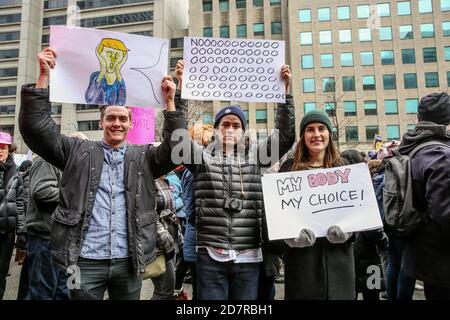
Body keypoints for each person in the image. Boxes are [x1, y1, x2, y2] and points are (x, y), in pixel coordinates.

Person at [19, 47, 186, 300]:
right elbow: (37, 131)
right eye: (110, 118)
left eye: (122, 118)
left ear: (130, 124)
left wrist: (172, 101)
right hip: (81, 262)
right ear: (101, 123)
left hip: (129, 262)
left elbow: (177, 149)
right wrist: (43, 78)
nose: (116, 123)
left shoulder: (144, 157)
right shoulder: (77, 150)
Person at [175, 61, 295, 300]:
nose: (230, 129)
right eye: (225, 124)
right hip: (210, 255)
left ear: (243, 131)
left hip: (248, 256)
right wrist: (180, 90)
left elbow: (285, 136)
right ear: (217, 129)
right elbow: (176, 138)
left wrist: (285, 94)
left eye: (236, 125)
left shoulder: (257, 157)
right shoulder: (200, 159)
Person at [278, 109, 355, 300]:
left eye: (322, 128)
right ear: (303, 136)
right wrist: (290, 236)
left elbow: (358, 212)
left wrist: (350, 232)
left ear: (329, 133)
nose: (317, 134)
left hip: (339, 261)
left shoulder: (343, 167)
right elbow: (280, 214)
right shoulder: (288, 168)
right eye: (310, 129)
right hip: (302, 262)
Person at [396, 92, 450, 300]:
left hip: (426, 260)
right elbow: (445, 214)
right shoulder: (442, 155)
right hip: (443, 263)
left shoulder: (413, 148)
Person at [341, 150, 388, 300]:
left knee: (348, 293)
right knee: (372, 294)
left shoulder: (336, 191)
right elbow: (372, 228)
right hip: (368, 256)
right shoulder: (364, 189)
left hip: (345, 255)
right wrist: (384, 241)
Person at [25, 154, 69, 300]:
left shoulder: (70, 165)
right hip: (45, 239)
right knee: (42, 292)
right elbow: (41, 191)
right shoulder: (47, 161)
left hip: (66, 241)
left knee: (66, 291)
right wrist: (74, 193)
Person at [0, 132, 25, 300]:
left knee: (1, 273)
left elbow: (20, 203)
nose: (0, 151)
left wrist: (21, 230)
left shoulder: (16, 173)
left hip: (6, 233)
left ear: (10, 150)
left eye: (3, 147)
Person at [150, 176, 182, 300]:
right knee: (165, 291)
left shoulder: (164, 179)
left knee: (166, 290)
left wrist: (178, 239)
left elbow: (171, 211)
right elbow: (148, 213)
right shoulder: (147, 177)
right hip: (157, 243)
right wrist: (167, 242)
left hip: (169, 242)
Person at [85, 38, 128, 105]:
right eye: (109, 54)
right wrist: (102, 73)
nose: (113, 58)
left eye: (117, 55)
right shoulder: (95, 76)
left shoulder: (120, 81)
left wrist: (117, 71)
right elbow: (89, 99)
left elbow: (121, 103)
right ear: (100, 55)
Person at [16, 159, 33, 300]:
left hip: (28, 225)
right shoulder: (28, 178)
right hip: (33, 228)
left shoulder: (23, 178)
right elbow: (23, 202)